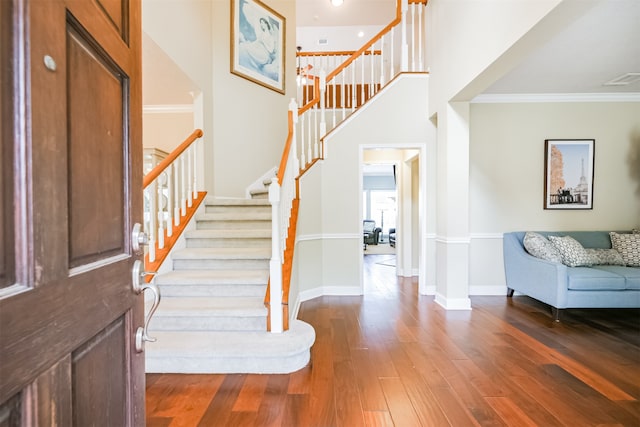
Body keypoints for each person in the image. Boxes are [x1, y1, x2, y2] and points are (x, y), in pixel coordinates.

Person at [238, 4, 279, 80]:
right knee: (245, 48)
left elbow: (271, 50)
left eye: (263, 23)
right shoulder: (262, 34)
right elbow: (256, 42)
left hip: (265, 55)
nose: (262, 25)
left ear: (266, 24)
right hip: (258, 49)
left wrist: (264, 43)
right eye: (261, 24)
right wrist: (249, 45)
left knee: (254, 52)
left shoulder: (270, 36)